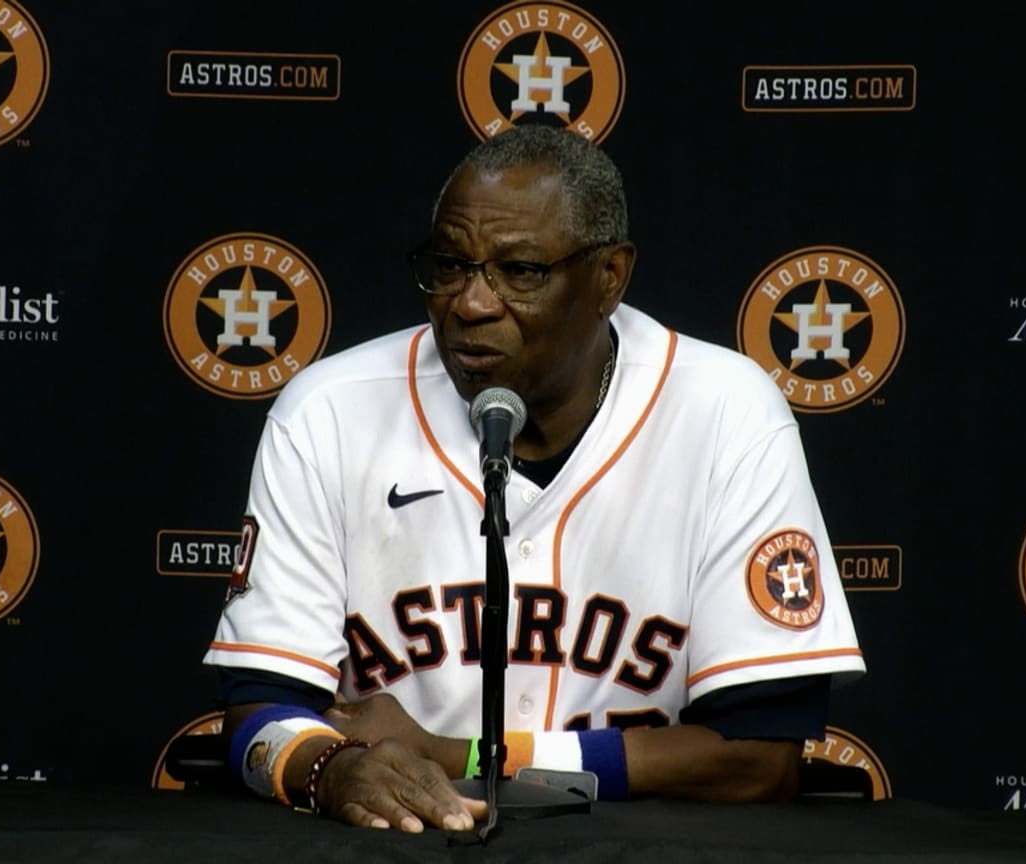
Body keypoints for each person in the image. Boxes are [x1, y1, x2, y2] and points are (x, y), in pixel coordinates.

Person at [203, 124, 865, 833]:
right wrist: (327, 770)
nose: (471, 303)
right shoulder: (328, 410)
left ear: (610, 277)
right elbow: (257, 713)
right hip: (400, 850)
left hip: (636, 854)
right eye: (450, 265)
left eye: (519, 271)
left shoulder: (725, 412)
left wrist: (469, 758)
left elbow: (760, 760)